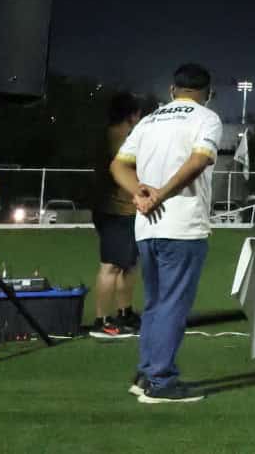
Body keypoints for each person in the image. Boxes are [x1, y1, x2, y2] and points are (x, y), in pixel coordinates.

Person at [110, 64, 222, 402]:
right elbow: (199, 160)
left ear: (172, 90)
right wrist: (161, 194)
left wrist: (139, 192)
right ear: (208, 93)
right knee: (172, 305)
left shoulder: (149, 120)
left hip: (147, 225)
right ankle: (161, 381)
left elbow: (118, 164)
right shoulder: (206, 118)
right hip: (182, 225)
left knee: (156, 304)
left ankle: (146, 374)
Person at [89, 92, 143, 339]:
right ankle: (101, 321)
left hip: (120, 210)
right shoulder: (120, 138)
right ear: (132, 115)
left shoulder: (110, 135)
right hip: (116, 210)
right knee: (111, 266)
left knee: (128, 265)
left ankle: (125, 313)